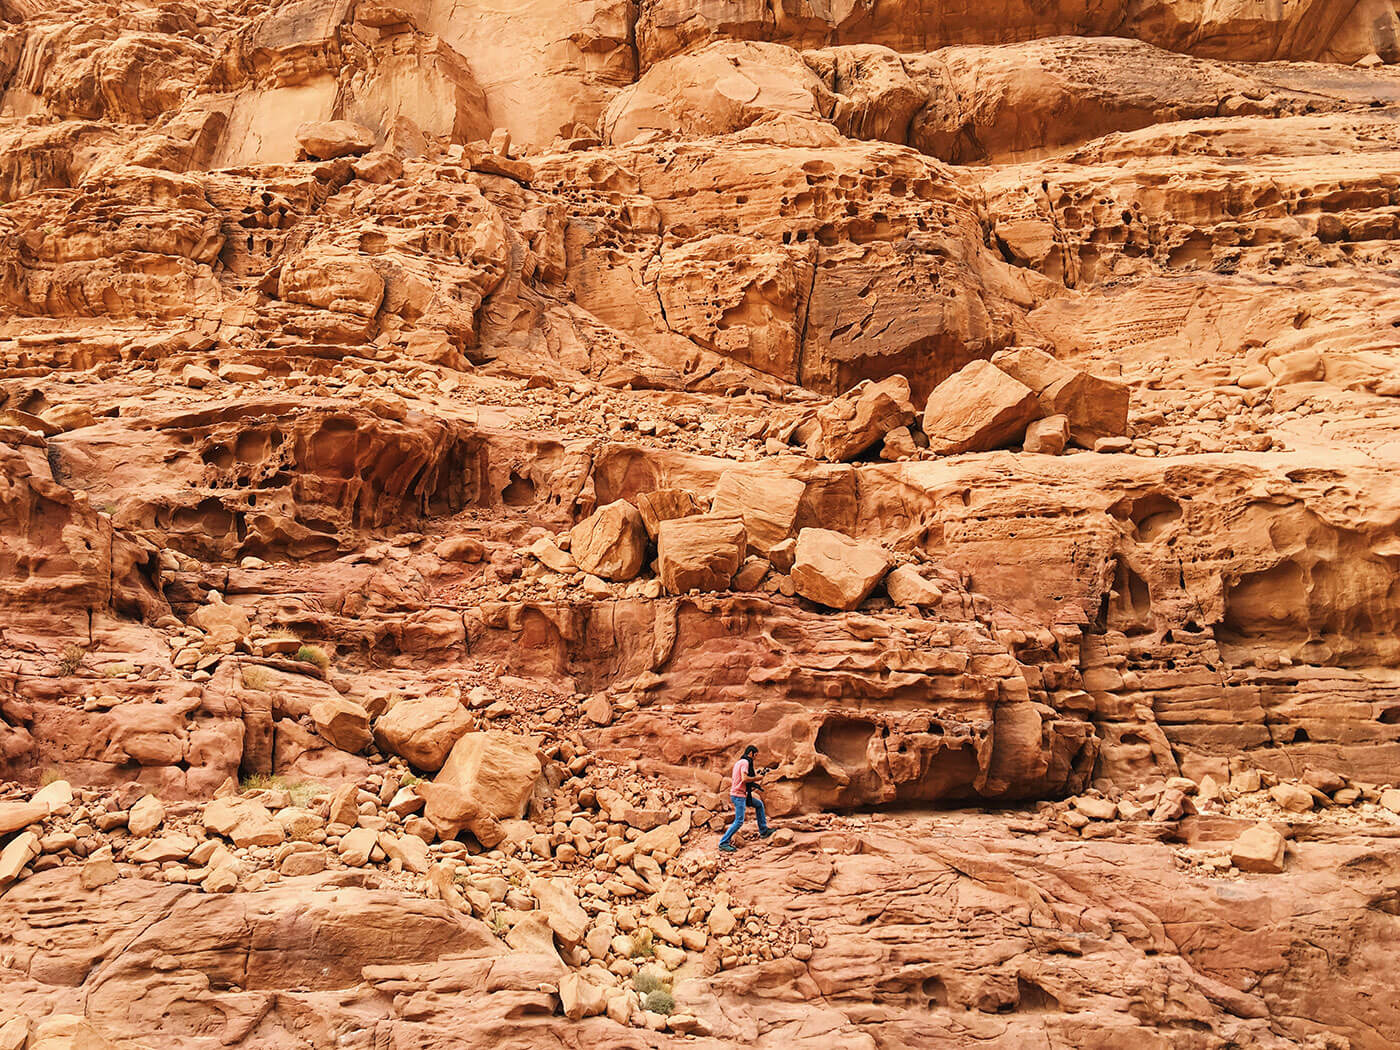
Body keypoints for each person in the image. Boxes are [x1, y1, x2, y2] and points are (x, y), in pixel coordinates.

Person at [719, 744, 774, 852]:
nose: (755, 758)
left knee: (759, 804)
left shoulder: (739, 762)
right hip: (739, 795)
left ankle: (763, 830)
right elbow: (744, 778)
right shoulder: (745, 762)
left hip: (740, 794)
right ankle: (723, 843)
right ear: (750, 753)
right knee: (739, 821)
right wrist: (758, 777)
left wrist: (755, 778)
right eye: (755, 755)